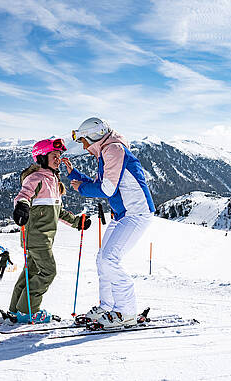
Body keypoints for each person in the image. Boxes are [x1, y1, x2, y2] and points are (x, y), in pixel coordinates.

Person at [65, 117, 155, 329]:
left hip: (135, 213)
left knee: (109, 259)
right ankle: (107, 308)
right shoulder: (107, 151)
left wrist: (82, 188)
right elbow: (103, 184)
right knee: (102, 259)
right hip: (121, 213)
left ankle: (126, 312)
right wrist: (74, 175)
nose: (84, 147)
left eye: (84, 141)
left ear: (94, 136)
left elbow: (107, 190)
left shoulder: (113, 150)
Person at [5, 137, 91, 324]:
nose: (58, 158)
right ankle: (29, 311)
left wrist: (77, 222)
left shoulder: (53, 180)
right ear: (42, 157)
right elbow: (23, 195)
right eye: (54, 155)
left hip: (41, 238)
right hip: (37, 237)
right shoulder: (36, 178)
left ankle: (15, 310)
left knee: (30, 273)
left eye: (59, 155)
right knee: (48, 272)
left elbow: (57, 211)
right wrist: (21, 207)